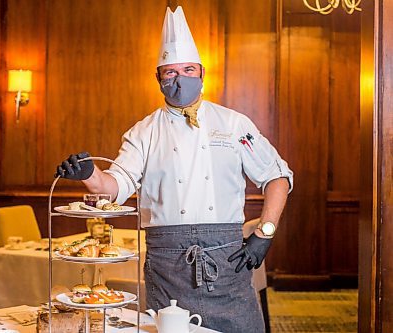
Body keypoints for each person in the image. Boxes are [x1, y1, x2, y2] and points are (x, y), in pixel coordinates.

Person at [55, 6, 293, 332]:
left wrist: (264, 234)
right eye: (170, 72)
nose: (179, 78)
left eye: (188, 69)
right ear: (158, 79)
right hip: (166, 265)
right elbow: (114, 187)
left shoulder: (234, 124)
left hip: (226, 259)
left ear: (202, 73)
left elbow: (277, 176)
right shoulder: (143, 131)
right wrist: (89, 174)